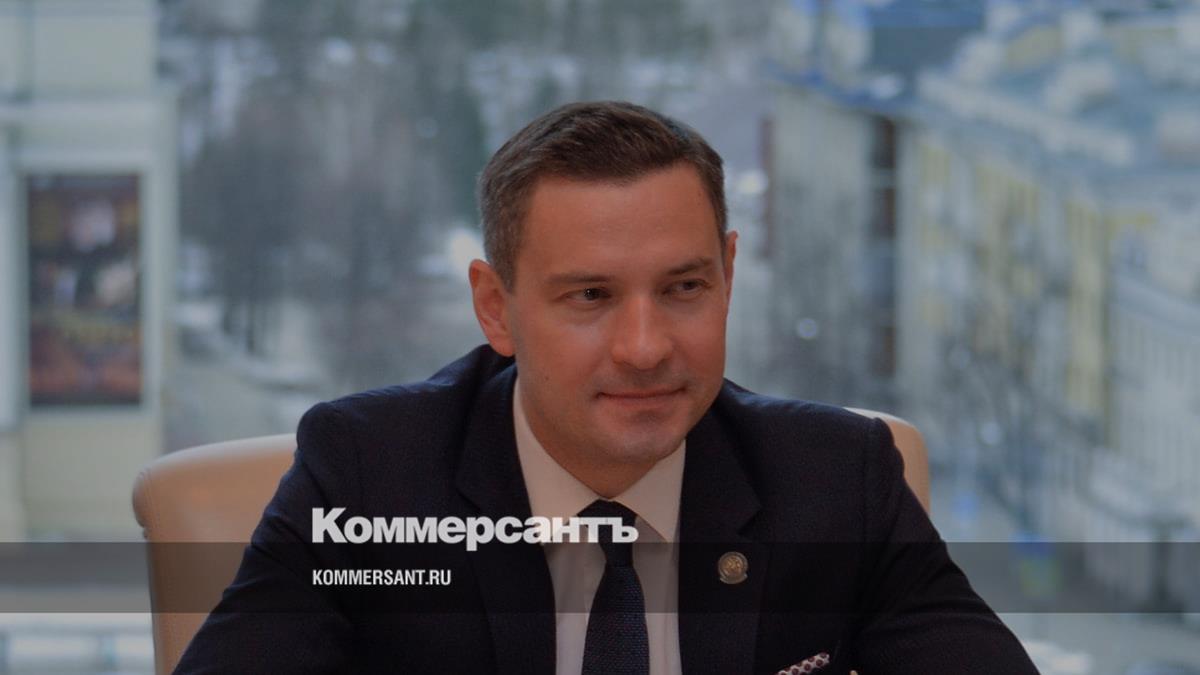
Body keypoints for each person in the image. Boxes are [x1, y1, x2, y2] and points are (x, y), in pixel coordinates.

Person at [175, 101, 1038, 674]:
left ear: (729, 274)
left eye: (684, 287)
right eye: (590, 296)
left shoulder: (838, 479)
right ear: (496, 307)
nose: (645, 347)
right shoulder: (368, 476)